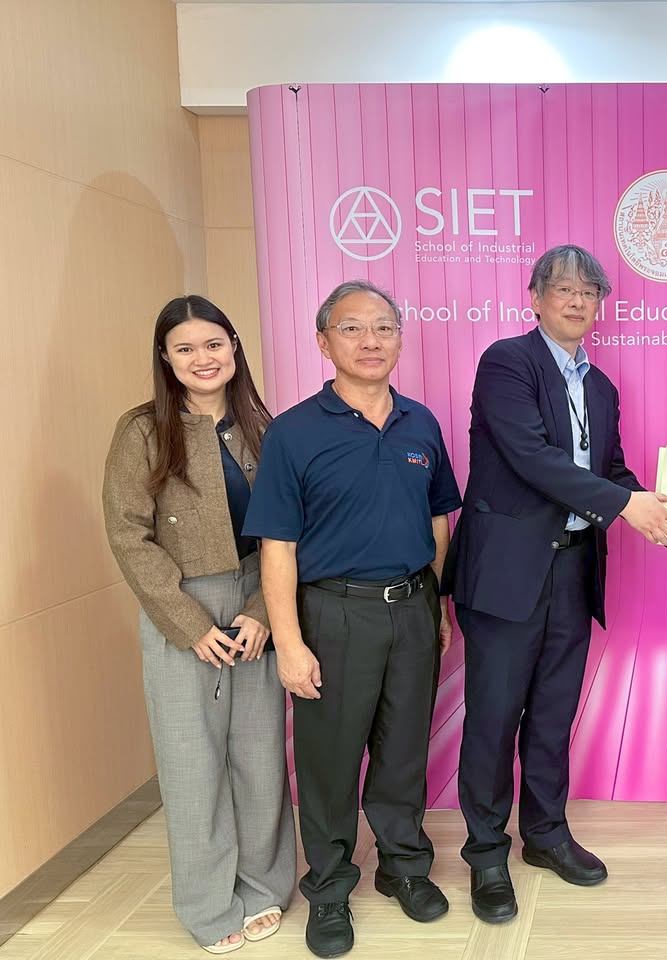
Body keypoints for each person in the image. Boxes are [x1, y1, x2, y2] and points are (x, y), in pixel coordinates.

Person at [443, 244, 667, 923]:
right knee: (494, 718)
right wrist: (626, 505)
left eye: (589, 292)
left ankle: (545, 834)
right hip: (507, 571)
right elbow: (531, 457)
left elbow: (610, 470)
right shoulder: (507, 362)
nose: (578, 301)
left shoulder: (601, 387)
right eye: (564, 289)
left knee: (552, 714)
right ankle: (486, 853)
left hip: (574, 567)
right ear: (536, 299)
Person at [243, 280, 462, 958]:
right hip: (332, 614)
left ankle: (403, 867)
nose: (371, 341)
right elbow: (277, 546)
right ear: (323, 341)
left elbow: (438, 519)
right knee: (330, 760)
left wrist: (439, 603)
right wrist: (289, 643)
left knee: (403, 751)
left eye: (384, 328)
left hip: (413, 609)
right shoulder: (293, 432)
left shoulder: (421, 423)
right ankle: (330, 888)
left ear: (400, 339)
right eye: (352, 328)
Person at [103, 295, 295, 955]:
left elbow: (292, 530)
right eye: (184, 348)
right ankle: (210, 906)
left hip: (260, 600)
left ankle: (264, 887)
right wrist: (188, 623)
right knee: (192, 764)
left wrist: (264, 611)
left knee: (260, 758)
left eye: (213, 343)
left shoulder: (266, 427)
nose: (202, 358)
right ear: (165, 357)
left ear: (234, 347)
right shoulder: (141, 432)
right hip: (181, 605)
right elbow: (128, 536)